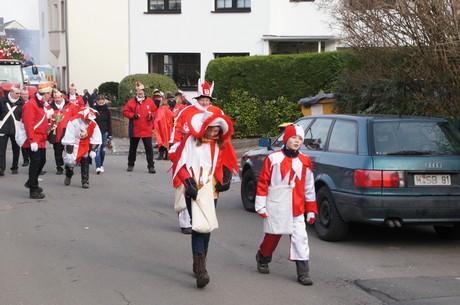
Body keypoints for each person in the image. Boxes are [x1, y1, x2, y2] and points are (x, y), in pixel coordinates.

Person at [169, 109, 238, 288]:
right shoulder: (190, 141)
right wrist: (188, 181)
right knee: (198, 226)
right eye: (212, 129)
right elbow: (180, 163)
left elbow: (227, 164)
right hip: (193, 188)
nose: (215, 132)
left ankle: (200, 260)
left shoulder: (221, 144)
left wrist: (227, 177)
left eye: (217, 130)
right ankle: (201, 269)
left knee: (207, 226)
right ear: (203, 127)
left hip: (211, 189)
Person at [254, 124, 318, 286]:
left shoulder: (305, 161)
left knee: (300, 239)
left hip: (296, 208)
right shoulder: (273, 158)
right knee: (272, 236)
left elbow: (309, 187)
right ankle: (263, 257)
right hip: (276, 205)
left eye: (299, 139)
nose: (297, 141)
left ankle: (303, 273)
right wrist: (261, 205)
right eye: (293, 138)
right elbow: (263, 182)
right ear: (285, 139)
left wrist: (311, 209)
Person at [170, 79, 223, 234]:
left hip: (208, 156)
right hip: (188, 153)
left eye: (207, 100)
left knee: (205, 188)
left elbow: (223, 135)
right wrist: (174, 148)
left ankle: (203, 221)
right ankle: (185, 221)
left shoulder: (216, 113)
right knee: (186, 186)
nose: (205, 102)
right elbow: (177, 130)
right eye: (203, 99)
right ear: (198, 99)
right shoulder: (185, 112)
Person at [22, 83, 53, 199]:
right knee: (35, 163)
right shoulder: (31, 105)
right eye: (49, 94)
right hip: (34, 138)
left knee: (42, 161)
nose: (50, 96)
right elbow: (29, 123)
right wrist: (31, 139)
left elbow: (49, 113)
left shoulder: (42, 104)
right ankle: (33, 189)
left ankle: (31, 182)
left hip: (41, 139)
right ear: (45, 94)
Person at [61, 107, 102, 188]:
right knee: (70, 162)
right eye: (87, 119)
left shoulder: (93, 124)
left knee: (85, 161)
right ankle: (68, 176)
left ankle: (85, 181)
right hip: (73, 144)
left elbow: (96, 137)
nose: (88, 121)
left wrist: (93, 150)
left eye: (90, 120)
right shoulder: (73, 122)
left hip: (84, 145)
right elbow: (69, 136)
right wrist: (69, 152)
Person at [122, 82, 157, 173]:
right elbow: (125, 112)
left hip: (146, 128)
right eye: (138, 90)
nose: (140, 92)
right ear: (136, 92)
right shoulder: (131, 102)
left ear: (144, 91)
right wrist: (133, 115)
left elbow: (155, 112)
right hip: (135, 129)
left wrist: (151, 116)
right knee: (133, 148)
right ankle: (130, 164)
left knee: (149, 149)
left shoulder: (150, 101)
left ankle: (151, 166)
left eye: (141, 90)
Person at [48, 89, 78, 175]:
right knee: (57, 151)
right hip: (56, 132)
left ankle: (69, 167)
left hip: (68, 132)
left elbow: (76, 118)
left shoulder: (70, 106)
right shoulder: (50, 107)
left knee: (68, 151)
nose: (57, 99)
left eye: (58, 97)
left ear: (62, 97)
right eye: (55, 98)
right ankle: (59, 167)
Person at [0, 84, 24, 176]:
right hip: (2, 128)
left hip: (16, 128)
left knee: (16, 149)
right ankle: (1, 168)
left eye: (20, 93)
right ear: (11, 92)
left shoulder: (22, 103)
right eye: (17, 93)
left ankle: (15, 167)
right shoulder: (2, 101)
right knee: (1, 149)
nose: (19, 95)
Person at [93, 94, 112, 174]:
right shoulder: (94, 110)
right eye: (99, 102)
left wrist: (110, 134)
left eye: (102, 102)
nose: (101, 104)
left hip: (105, 131)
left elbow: (109, 122)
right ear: (97, 101)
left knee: (102, 150)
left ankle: (101, 165)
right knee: (97, 149)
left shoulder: (107, 111)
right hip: (96, 132)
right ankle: (98, 166)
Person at [19, 87, 34, 167]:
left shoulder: (31, 103)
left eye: (26, 94)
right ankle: (25, 159)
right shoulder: (19, 103)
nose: (25, 96)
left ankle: (32, 159)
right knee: (23, 142)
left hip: (30, 124)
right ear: (21, 95)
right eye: (23, 94)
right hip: (22, 124)